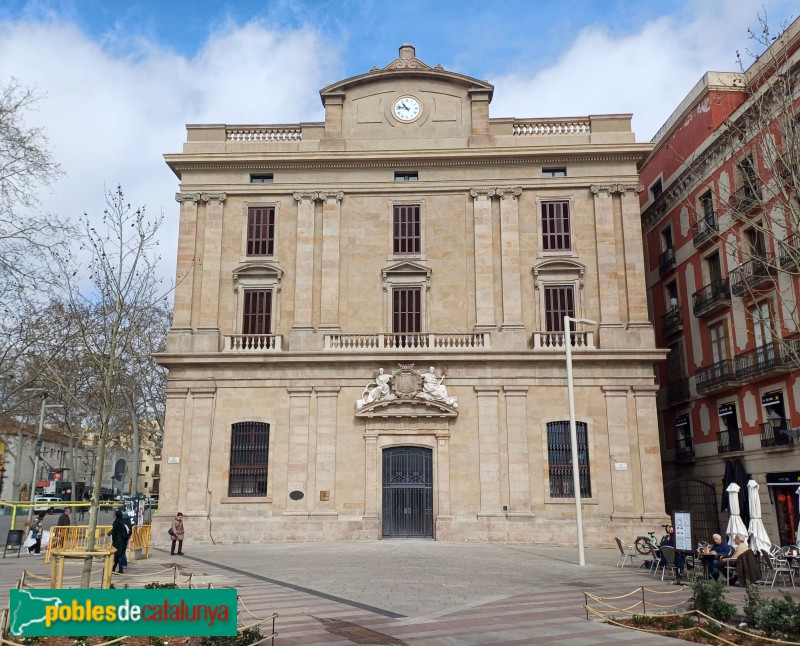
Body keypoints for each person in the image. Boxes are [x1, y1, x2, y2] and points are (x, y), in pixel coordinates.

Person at [108, 510, 128, 574]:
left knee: (118, 555)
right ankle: (115, 568)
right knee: (119, 554)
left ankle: (119, 569)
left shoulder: (116, 522)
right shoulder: (124, 521)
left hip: (118, 540)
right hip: (124, 540)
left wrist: (113, 540)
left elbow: (114, 532)